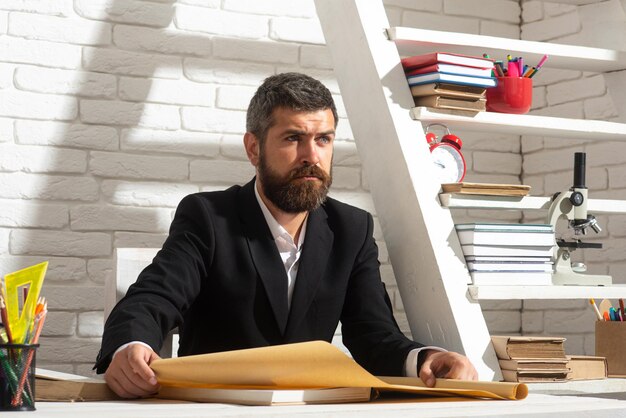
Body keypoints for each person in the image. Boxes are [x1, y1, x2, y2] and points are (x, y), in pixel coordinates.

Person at [95, 72, 477, 398]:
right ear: (253, 148)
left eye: (324, 139)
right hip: (217, 411)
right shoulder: (209, 217)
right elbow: (153, 298)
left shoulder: (353, 230)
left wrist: (426, 358)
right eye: (293, 138)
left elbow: (373, 336)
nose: (312, 155)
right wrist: (132, 346)